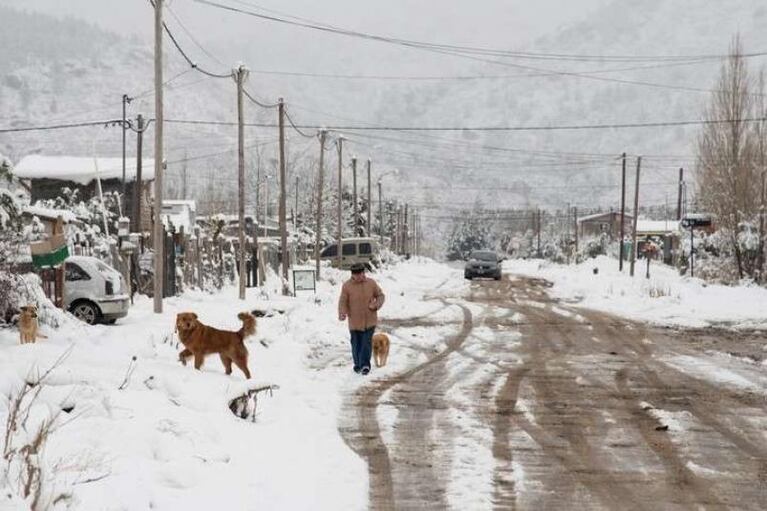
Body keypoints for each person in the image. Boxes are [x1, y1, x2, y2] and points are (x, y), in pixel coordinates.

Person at [338, 263, 385, 375]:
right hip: (354, 321)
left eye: (361, 273)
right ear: (352, 275)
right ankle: (358, 365)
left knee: (366, 343)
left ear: (364, 273)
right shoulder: (347, 286)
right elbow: (343, 301)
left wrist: (375, 305)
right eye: (356, 274)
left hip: (370, 320)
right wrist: (342, 312)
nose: (359, 276)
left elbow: (381, 296)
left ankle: (365, 365)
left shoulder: (371, 283)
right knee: (356, 344)